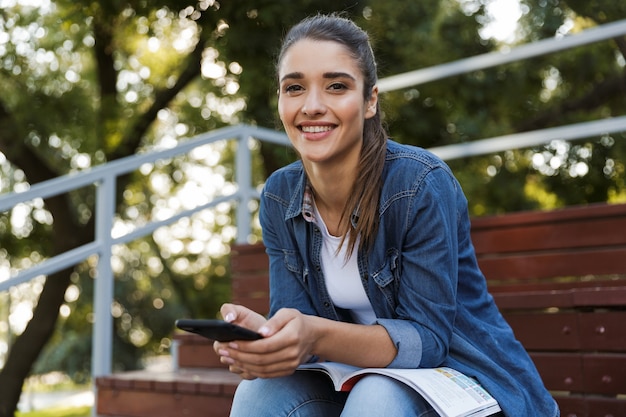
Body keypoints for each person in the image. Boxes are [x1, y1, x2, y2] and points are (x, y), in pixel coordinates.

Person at [214, 13, 559, 417]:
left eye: (336, 86)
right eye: (294, 88)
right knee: (258, 394)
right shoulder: (279, 196)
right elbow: (300, 324)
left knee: (377, 396)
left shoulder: (419, 184)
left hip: (464, 381)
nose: (312, 106)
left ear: (370, 101)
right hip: (358, 383)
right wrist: (270, 339)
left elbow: (428, 341)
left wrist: (315, 335)